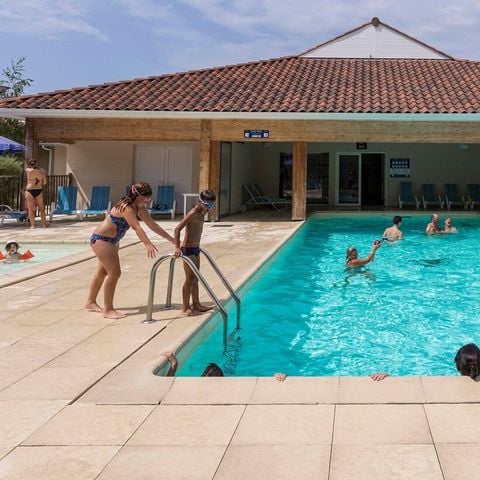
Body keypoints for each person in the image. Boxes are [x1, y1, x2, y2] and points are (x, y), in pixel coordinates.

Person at [85, 182, 174, 319]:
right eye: (144, 199)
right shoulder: (126, 207)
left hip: (113, 241)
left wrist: (171, 239)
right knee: (114, 273)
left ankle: (90, 302)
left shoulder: (140, 208)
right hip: (101, 240)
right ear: (136, 196)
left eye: (148, 199)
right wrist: (147, 244)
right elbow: (136, 227)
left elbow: (153, 225)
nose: (146, 201)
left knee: (102, 272)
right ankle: (108, 310)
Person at [174, 189, 216, 316]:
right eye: (208, 205)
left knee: (195, 278)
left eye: (212, 205)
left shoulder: (202, 212)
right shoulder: (193, 213)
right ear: (200, 201)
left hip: (196, 248)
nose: (209, 208)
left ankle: (196, 304)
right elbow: (177, 229)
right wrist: (177, 247)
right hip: (188, 249)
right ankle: (185, 308)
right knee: (189, 278)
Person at [24, 159, 48, 228]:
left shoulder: (28, 170)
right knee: (41, 208)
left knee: (30, 208)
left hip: (29, 189)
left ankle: (32, 225)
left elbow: (28, 170)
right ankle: (44, 224)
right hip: (39, 189)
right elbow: (45, 182)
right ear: (36, 164)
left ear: (30, 164)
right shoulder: (42, 171)